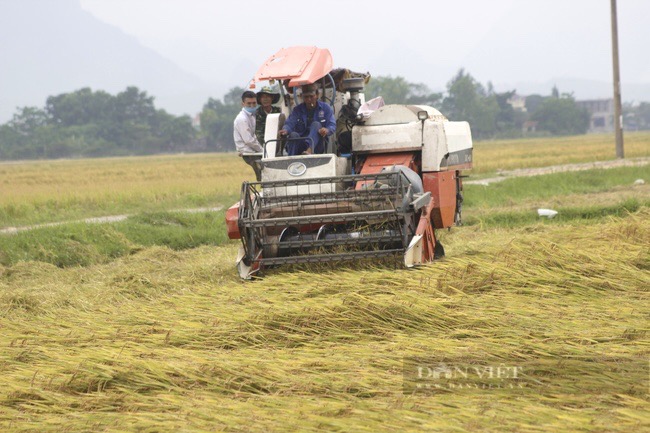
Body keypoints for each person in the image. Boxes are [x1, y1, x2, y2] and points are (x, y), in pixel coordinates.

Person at [279, 84, 336, 155]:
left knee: (316, 124)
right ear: (302, 97)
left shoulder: (325, 108)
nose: (309, 100)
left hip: (318, 145)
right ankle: (291, 159)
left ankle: (309, 150)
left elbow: (332, 125)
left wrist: (326, 130)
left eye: (311, 96)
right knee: (293, 134)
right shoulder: (297, 110)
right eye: (306, 97)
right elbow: (290, 123)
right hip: (301, 144)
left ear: (317, 95)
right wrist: (285, 130)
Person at [233, 90, 263, 181]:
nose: (252, 106)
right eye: (249, 103)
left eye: (254, 103)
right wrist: (263, 150)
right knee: (263, 173)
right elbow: (249, 140)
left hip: (253, 150)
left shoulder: (251, 116)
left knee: (264, 174)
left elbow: (253, 136)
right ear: (243, 104)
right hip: (248, 152)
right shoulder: (242, 119)